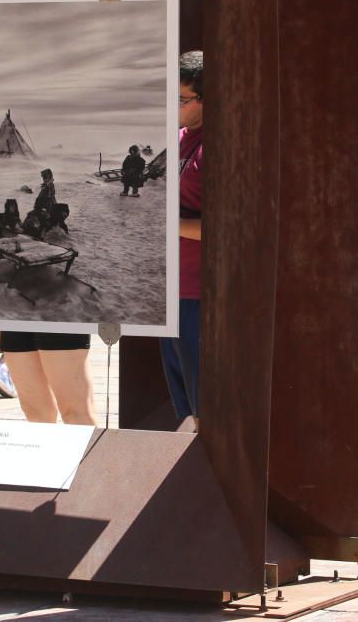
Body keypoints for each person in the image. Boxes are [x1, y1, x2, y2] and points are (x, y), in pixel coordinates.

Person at [160, 50, 204, 431]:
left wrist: (165, 222)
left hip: (198, 293)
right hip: (170, 293)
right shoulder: (176, 139)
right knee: (186, 409)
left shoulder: (214, 147)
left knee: (205, 407)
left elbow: (221, 227)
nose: (174, 105)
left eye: (182, 99)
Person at [0, 333, 95, 425]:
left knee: (75, 413)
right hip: (15, 319)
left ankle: (92, 441)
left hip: (60, 319)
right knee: (35, 412)